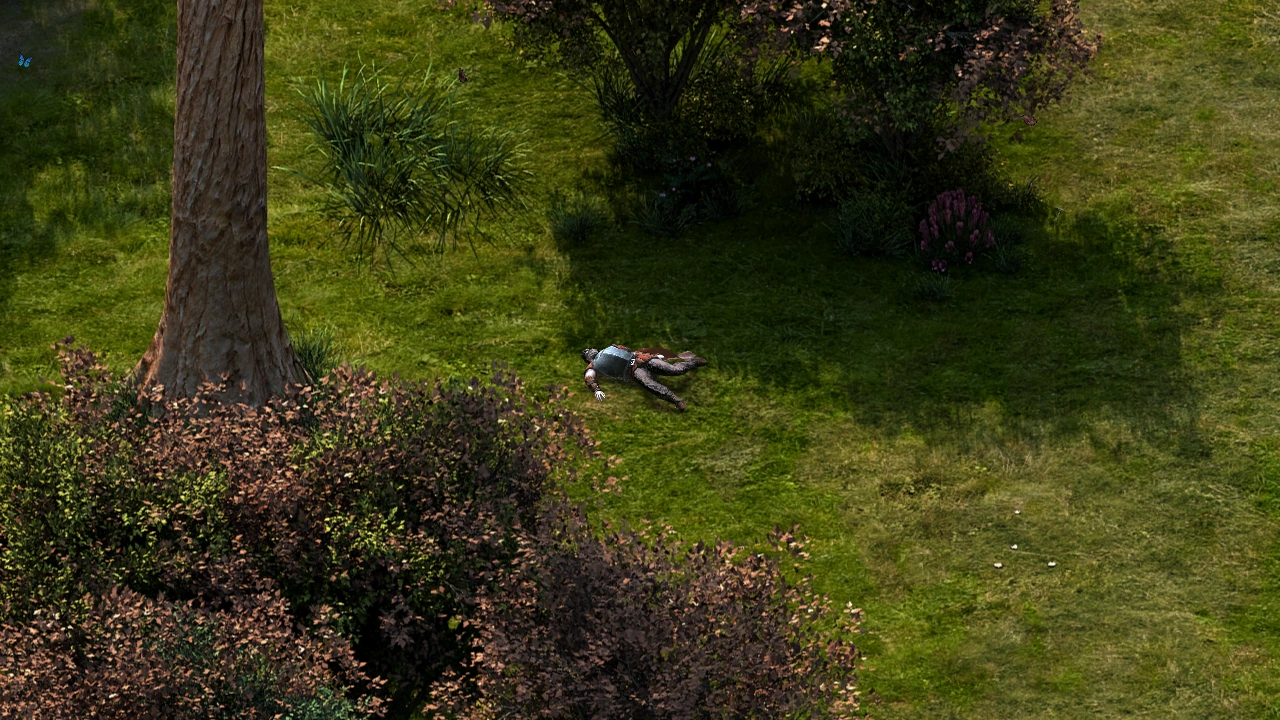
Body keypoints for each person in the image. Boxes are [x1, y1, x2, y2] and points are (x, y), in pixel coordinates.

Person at [581, 344, 707, 411]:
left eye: (590, 350)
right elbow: (589, 377)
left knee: (674, 370)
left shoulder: (611, 348)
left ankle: (692, 362)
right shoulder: (593, 366)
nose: (590, 352)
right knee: (651, 385)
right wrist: (596, 389)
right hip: (634, 371)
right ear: (588, 359)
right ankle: (676, 400)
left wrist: (653, 355)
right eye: (588, 353)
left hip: (642, 359)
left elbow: (628, 351)